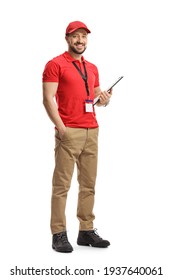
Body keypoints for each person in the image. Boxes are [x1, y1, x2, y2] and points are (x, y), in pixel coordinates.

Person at [42, 21, 112, 253]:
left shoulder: (92, 67)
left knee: (88, 184)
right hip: (68, 131)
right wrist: (61, 128)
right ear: (67, 38)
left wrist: (104, 99)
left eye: (84, 36)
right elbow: (48, 98)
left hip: (92, 130)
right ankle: (58, 233)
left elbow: (95, 98)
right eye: (75, 36)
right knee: (61, 185)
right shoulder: (55, 64)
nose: (80, 40)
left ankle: (86, 230)